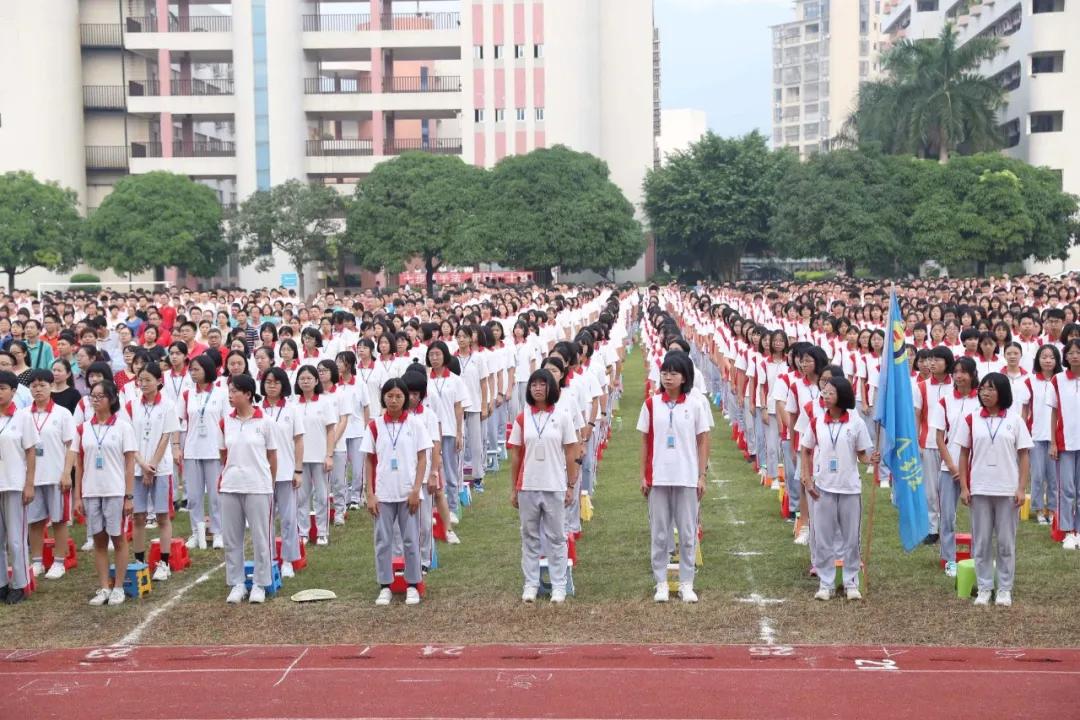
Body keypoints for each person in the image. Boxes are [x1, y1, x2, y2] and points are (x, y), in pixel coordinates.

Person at [637, 352, 710, 604]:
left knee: (688, 533)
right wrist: (643, 476)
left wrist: (701, 476)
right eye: (665, 373)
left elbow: (702, 440)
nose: (668, 378)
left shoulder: (695, 404)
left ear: (684, 377)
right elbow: (645, 441)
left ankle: (686, 583)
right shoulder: (651, 404)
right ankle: (661, 583)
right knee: (659, 533)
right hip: (658, 477)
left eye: (673, 373)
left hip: (687, 477)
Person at [799, 377, 879, 601]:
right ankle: (826, 583)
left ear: (842, 396)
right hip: (823, 488)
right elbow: (805, 449)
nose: (825, 396)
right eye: (824, 392)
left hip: (849, 489)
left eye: (830, 393)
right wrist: (807, 478)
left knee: (851, 538)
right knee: (823, 538)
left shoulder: (856, 423)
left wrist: (870, 458)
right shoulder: (817, 422)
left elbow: (862, 453)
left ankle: (851, 582)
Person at [958, 372, 1031, 607]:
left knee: (1006, 542)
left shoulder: (1015, 420)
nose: (985, 393)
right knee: (981, 542)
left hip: (1007, 490)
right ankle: (985, 587)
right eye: (983, 389)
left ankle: (1005, 589)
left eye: (991, 389)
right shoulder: (971, 419)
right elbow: (963, 454)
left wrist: (1021, 489)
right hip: (979, 489)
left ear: (1002, 392)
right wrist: (964, 487)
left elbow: (1024, 455)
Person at [508, 368, 579, 604]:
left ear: (552, 388)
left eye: (542, 384)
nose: (537, 388)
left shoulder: (562, 416)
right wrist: (513, 489)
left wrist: (571, 484)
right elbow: (516, 455)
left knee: (556, 537)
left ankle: (559, 585)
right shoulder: (522, 417)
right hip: (528, 485)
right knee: (529, 536)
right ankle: (531, 583)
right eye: (534, 385)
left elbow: (571, 450)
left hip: (555, 484)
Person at [361, 377, 432, 606]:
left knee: (411, 540)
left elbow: (422, 459)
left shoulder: (415, 424)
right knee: (383, 540)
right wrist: (370, 493)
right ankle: (385, 585)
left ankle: (413, 583)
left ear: (406, 398)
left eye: (398, 396)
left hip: (407, 492)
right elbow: (369, 461)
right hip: (383, 493)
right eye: (389, 396)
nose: (393, 401)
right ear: (383, 397)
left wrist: (416, 490)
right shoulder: (374, 426)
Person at [71, 380, 136, 607]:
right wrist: (78, 496)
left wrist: (128, 496)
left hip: (115, 490)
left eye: (100, 396)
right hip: (91, 490)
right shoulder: (83, 428)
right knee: (98, 540)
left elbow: (129, 465)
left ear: (112, 399)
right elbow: (78, 464)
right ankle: (104, 587)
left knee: (117, 538)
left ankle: (118, 586)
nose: (95, 400)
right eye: (92, 396)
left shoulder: (123, 428)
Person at [219, 374, 278, 604]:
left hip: (258, 486)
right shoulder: (226, 422)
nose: (231, 395)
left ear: (247, 394)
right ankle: (237, 582)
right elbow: (222, 453)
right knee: (232, 538)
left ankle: (261, 584)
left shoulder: (265, 421)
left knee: (261, 537)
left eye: (235, 391)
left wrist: (269, 483)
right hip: (231, 485)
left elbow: (273, 455)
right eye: (229, 391)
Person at [124, 362, 180, 582]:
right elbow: (129, 438)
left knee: (162, 516)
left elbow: (166, 437)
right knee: (138, 516)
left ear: (159, 381)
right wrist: (142, 464)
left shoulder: (168, 405)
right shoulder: (131, 405)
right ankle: (139, 561)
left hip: (161, 468)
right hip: (137, 468)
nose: (144, 384)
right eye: (141, 380)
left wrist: (152, 466)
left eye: (148, 379)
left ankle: (163, 562)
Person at [930, 356, 981, 577]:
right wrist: (951, 467)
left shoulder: (982, 399)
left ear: (972, 375)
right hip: (948, 468)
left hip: (976, 468)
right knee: (948, 515)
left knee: (979, 516)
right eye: (956, 371)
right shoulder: (945, 401)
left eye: (964, 372)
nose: (959, 376)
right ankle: (949, 558)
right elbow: (940, 438)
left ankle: (979, 557)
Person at [23, 370, 76, 581]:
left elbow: (72, 445)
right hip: (32, 477)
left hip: (55, 475)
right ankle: (37, 561)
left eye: (42, 385)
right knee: (34, 521)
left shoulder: (62, 414)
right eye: (34, 386)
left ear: (50, 386)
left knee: (59, 520)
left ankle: (59, 561)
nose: (38, 389)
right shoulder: (24, 414)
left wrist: (66, 473)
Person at [180, 355, 227, 550]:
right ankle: (196, 533)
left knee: (216, 495)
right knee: (194, 495)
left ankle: (217, 532)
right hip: (192, 450)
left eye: (196, 369)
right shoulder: (186, 394)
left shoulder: (221, 394)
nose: (193, 373)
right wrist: (177, 447)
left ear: (207, 370)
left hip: (214, 450)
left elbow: (227, 423)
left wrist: (226, 449)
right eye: (191, 369)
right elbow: (180, 422)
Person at [261, 367, 304, 578]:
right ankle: (268, 558)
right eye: (268, 382)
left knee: (288, 518)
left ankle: (287, 559)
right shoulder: (256, 410)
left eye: (276, 382)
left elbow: (298, 441)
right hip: (262, 474)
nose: (272, 386)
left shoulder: (292, 409)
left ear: (283, 385)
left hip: (286, 472)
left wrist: (298, 469)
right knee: (265, 519)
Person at [0, 370, 37, 604]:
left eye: (3, 388)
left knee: (15, 538)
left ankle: (20, 584)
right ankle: (2, 583)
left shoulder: (23, 417)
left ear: (14, 391)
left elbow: (31, 452)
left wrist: (29, 484)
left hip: (14, 483)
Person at [424, 341, 464, 537]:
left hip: (448, 430)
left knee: (449, 470)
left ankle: (454, 507)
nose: (434, 358)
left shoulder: (455, 380)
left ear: (445, 356)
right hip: (430, 432)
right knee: (432, 471)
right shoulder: (426, 380)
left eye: (438, 354)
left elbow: (458, 408)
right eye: (431, 354)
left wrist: (459, 432)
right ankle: (433, 509)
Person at [295, 365, 336, 546]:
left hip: (319, 457)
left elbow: (330, 431)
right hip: (300, 459)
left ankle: (322, 531)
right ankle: (303, 532)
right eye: (302, 378)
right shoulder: (293, 404)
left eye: (309, 378)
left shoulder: (325, 402)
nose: (305, 381)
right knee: (301, 497)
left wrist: (329, 455)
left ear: (316, 381)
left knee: (321, 495)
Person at [1047, 338, 1080, 549]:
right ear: (1065, 357)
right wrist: (1052, 442)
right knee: (1066, 489)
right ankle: (1068, 531)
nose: (1075, 355)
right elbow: (1053, 412)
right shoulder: (1057, 380)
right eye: (1071, 352)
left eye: (1078, 352)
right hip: (1065, 443)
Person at [1029, 345, 1060, 525]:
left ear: (1057, 360)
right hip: (1037, 435)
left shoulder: (1061, 380)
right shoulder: (1031, 381)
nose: (1048, 360)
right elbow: (1025, 410)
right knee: (1038, 475)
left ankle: (1053, 509)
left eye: (1051, 357)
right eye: (1044, 357)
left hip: (1056, 436)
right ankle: (1039, 510)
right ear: (1038, 360)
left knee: (1054, 477)